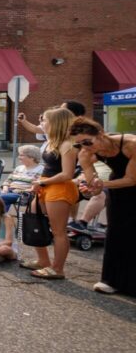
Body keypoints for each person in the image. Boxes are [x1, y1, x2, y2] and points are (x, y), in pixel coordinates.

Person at [71, 117, 136, 295]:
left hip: (130, 182)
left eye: (86, 141)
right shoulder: (85, 153)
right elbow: (92, 179)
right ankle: (111, 280)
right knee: (116, 232)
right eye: (78, 144)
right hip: (119, 189)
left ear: (100, 134)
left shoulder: (130, 144)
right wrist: (92, 186)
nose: (84, 147)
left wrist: (102, 185)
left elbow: (132, 179)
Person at [20, 108, 79, 280]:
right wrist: (39, 183)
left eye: (44, 120)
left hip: (59, 188)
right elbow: (48, 168)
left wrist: (42, 182)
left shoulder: (67, 144)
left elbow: (67, 174)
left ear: (56, 123)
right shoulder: (52, 141)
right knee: (33, 218)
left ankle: (57, 269)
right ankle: (43, 260)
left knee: (58, 231)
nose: (41, 124)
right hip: (45, 186)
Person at [0, 145, 42, 211]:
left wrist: (20, 191)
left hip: (23, 194)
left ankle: (0, 219)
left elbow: (37, 186)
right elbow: (8, 181)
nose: (19, 157)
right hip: (9, 191)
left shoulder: (40, 169)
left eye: (22, 155)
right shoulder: (19, 168)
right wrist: (5, 189)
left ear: (32, 157)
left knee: (2, 198)